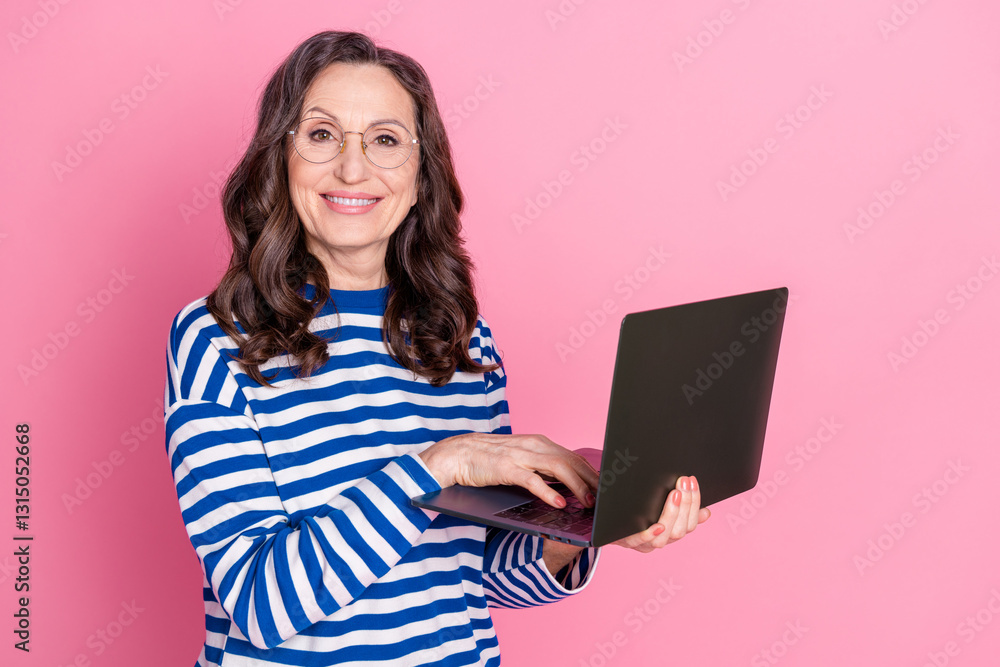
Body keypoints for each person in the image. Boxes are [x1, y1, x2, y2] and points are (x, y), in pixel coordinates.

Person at [164, 30, 710, 667]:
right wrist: (438, 465)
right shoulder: (217, 338)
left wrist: (588, 529)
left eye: (386, 141)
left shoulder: (461, 338)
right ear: (278, 161)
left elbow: (471, 578)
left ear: (422, 177)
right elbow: (261, 604)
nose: (352, 168)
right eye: (321, 135)